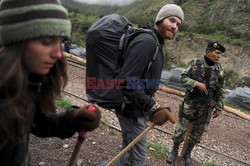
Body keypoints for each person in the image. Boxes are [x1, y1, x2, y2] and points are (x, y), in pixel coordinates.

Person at [0, 0, 101, 165]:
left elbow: (39, 123)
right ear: (16, 40)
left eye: (60, 42)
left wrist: (74, 119)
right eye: (47, 41)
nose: (59, 54)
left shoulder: (31, 80)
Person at [112, 4, 184, 166]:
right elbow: (127, 80)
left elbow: (143, 78)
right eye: (171, 20)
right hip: (130, 109)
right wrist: (153, 107)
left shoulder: (156, 43)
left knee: (128, 151)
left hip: (137, 107)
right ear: (160, 19)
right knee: (137, 160)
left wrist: (152, 102)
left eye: (178, 24)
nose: (174, 26)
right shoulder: (147, 42)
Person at [167, 42, 225, 166]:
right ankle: (174, 151)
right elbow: (183, 78)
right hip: (191, 104)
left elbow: (220, 89)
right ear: (208, 52)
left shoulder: (219, 70)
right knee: (181, 129)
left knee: (198, 133)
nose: (219, 56)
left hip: (206, 107)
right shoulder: (195, 63)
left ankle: (187, 154)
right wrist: (195, 83)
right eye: (217, 53)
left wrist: (220, 106)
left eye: (220, 54)